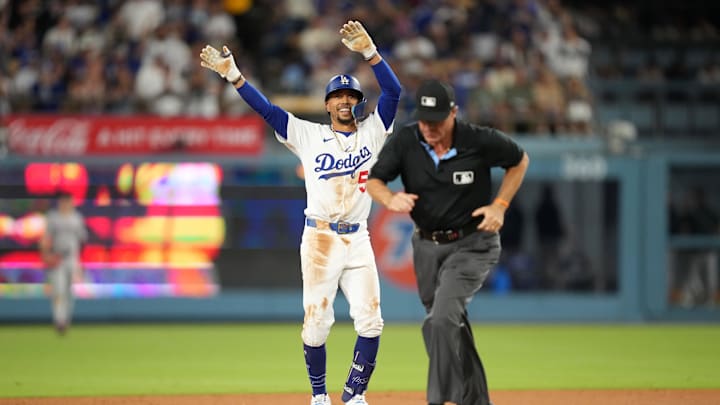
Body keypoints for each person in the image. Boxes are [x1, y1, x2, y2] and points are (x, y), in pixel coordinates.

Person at [200, 20, 401, 405]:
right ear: (327, 104)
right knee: (317, 325)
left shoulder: (374, 131)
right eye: (337, 96)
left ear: (358, 102)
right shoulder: (308, 135)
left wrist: (371, 53)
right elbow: (269, 111)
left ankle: (354, 395)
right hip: (321, 238)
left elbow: (394, 91)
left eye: (351, 95)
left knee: (371, 320)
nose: (345, 100)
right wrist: (235, 77)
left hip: (358, 236)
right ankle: (319, 396)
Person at [366, 79, 529, 405]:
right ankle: (477, 401)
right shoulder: (407, 140)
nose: (429, 127)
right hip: (426, 247)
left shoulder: (478, 140)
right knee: (447, 325)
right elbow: (374, 180)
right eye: (424, 119)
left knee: (441, 320)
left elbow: (519, 160)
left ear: (454, 112)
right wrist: (388, 198)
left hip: (472, 244)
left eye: (437, 120)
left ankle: (439, 400)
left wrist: (500, 205)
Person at [39, 191, 87, 335]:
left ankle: (65, 319)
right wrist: (46, 254)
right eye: (63, 201)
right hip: (57, 258)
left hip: (72, 258)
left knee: (69, 291)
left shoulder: (77, 218)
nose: (66, 203)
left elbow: (82, 240)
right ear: (60, 202)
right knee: (58, 290)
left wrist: (80, 262)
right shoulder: (53, 217)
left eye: (68, 201)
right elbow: (46, 239)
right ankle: (59, 320)